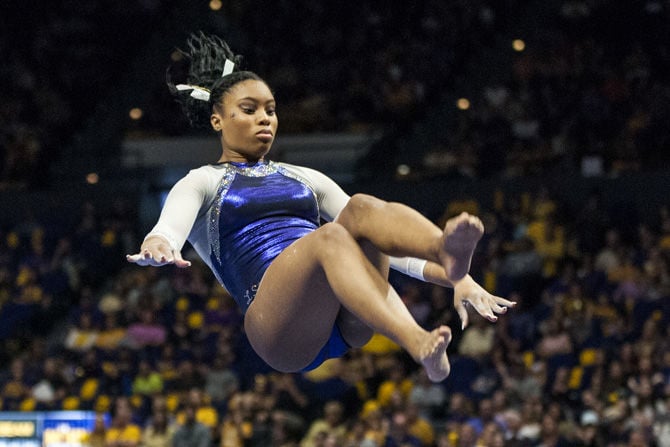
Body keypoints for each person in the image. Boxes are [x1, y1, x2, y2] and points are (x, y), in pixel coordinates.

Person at [127, 32, 514, 383]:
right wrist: (160, 242)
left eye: (271, 109)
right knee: (330, 236)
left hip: (344, 314)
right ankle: (416, 341)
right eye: (249, 109)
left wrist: (457, 280)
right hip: (277, 327)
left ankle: (444, 251)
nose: (265, 118)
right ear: (217, 120)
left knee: (361, 209)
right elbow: (170, 224)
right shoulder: (202, 181)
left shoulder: (304, 177)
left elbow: (382, 245)